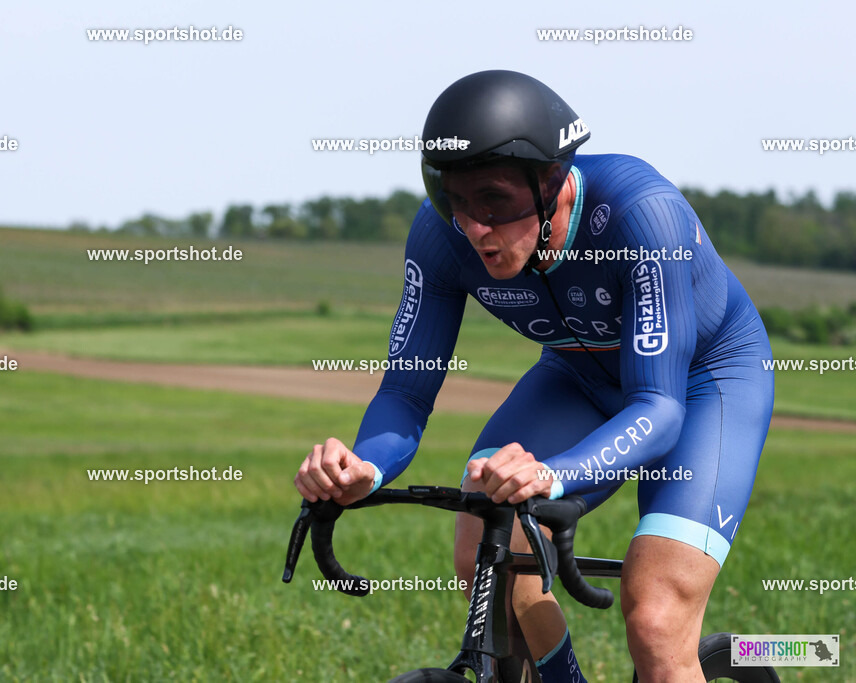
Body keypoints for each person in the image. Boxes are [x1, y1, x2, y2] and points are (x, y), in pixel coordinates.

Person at [294, 70, 774, 682]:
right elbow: (405, 390)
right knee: (484, 551)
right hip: (577, 378)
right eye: (455, 199)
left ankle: (758, 653)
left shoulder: (641, 214)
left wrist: (553, 475)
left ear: (551, 182)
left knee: (654, 616)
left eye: (493, 200)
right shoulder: (442, 238)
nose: (474, 227)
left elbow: (659, 406)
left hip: (705, 385)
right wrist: (364, 466)